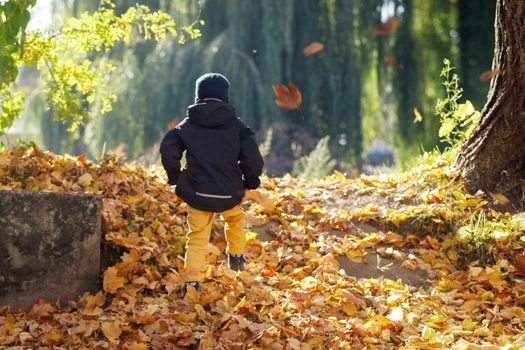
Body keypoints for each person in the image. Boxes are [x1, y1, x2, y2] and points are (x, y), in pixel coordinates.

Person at [160, 73, 264, 293]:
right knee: (235, 220)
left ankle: (192, 283)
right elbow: (252, 156)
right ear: (224, 97)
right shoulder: (237, 125)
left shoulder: (188, 124)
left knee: (197, 237)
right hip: (229, 191)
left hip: (197, 192)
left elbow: (168, 149)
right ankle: (236, 257)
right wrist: (250, 181)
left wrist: (175, 177)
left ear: (199, 96)